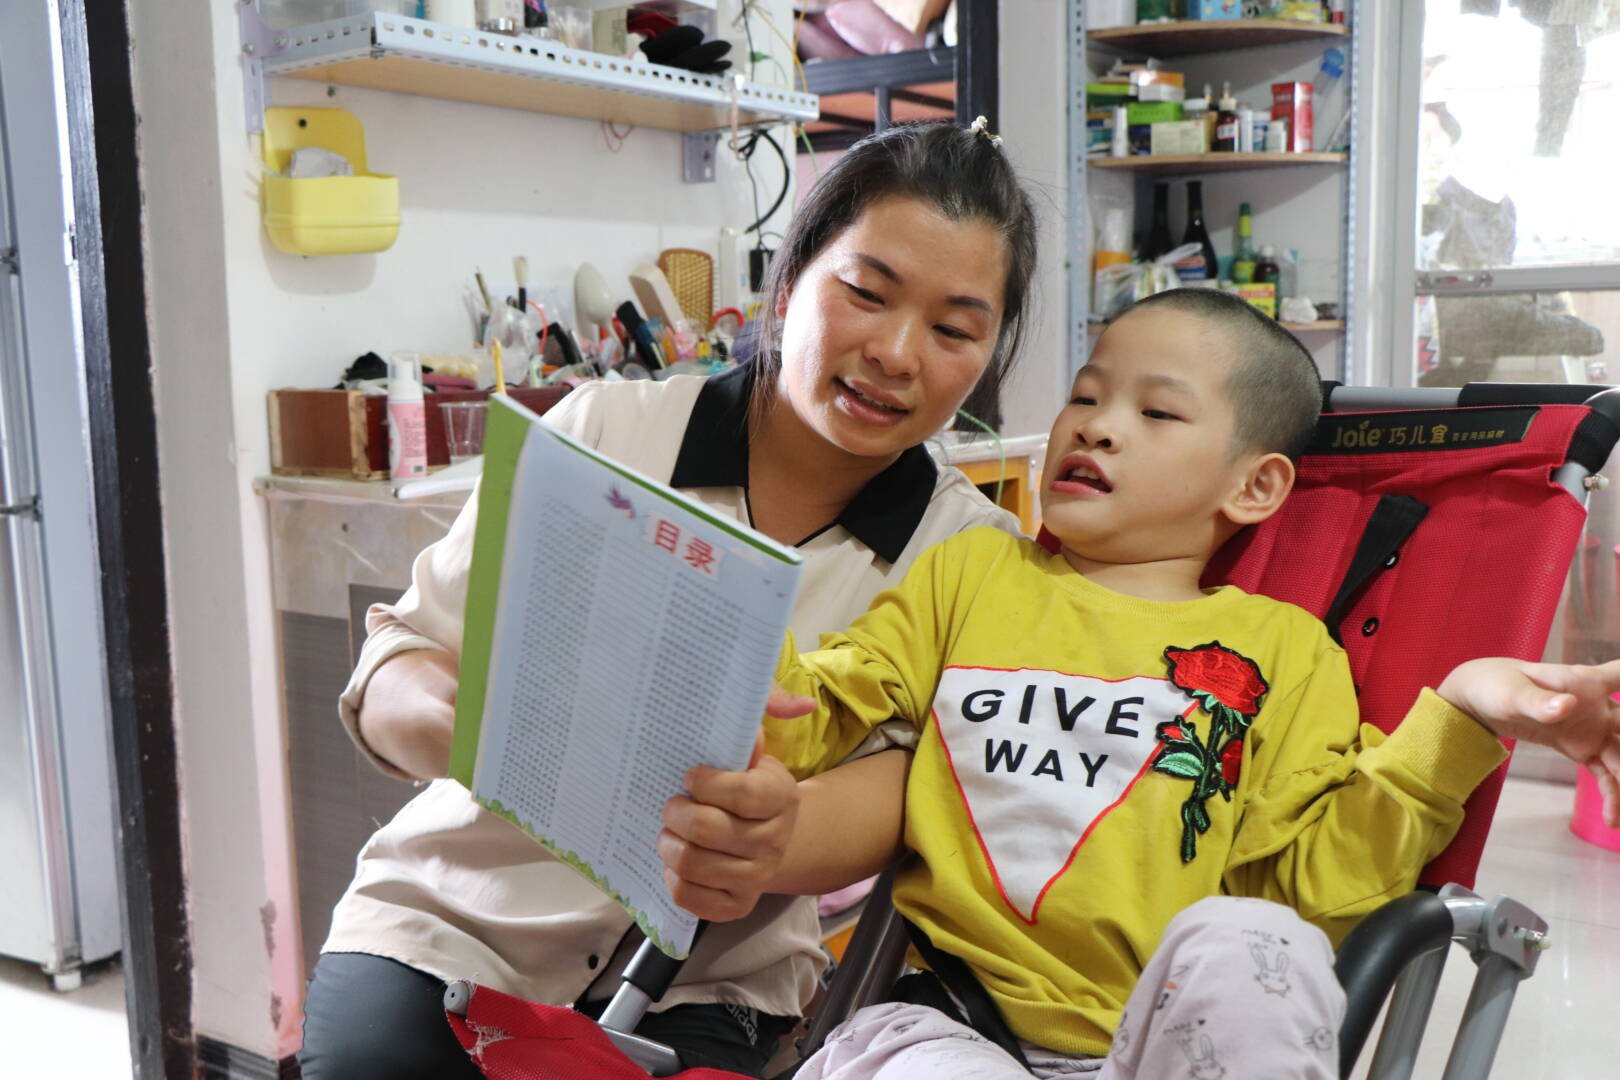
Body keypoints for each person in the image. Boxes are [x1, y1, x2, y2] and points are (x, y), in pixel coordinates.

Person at [658, 288, 1620, 1079]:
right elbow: (821, 706)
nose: (1098, 427)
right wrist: (727, 636)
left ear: (1254, 488)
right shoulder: (975, 576)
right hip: (947, 1025)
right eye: (1084, 397)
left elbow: (1316, 893)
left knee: (1256, 944)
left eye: (1155, 412)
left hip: (1170, 1041)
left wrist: (1458, 709)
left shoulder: (1281, 648)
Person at [296, 118, 1041, 1079]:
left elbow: (916, 792)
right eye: (865, 292)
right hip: (449, 926)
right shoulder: (601, 430)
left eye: (953, 329)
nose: (898, 353)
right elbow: (399, 661)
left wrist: (773, 840)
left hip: (709, 981)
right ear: (791, 281)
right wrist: (473, 724)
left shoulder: (973, 556)